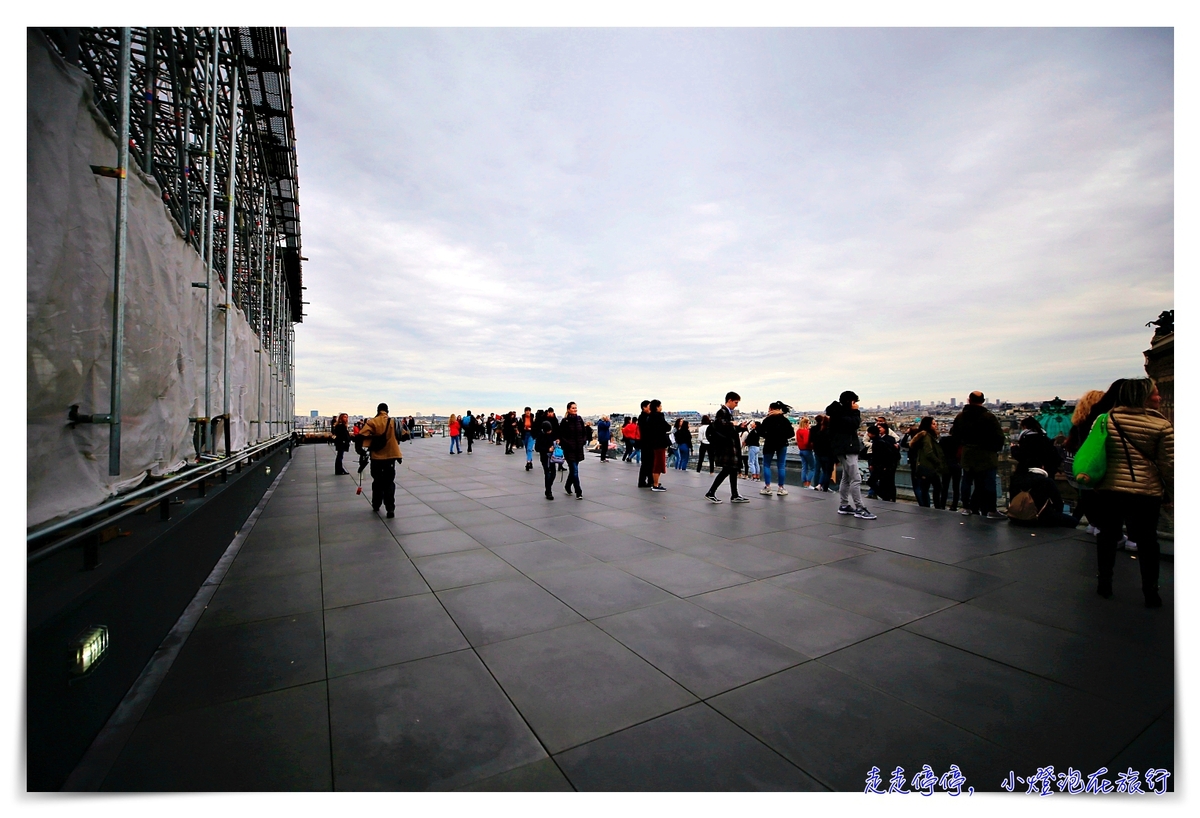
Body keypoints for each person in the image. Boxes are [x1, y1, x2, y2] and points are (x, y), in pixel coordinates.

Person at [1084, 378, 1172, 607]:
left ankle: (1104, 583)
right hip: (1146, 490)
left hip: (1110, 489)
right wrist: (1171, 493)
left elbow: (1094, 452)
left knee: (1107, 536)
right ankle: (1151, 592)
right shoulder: (1160, 425)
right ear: (1142, 396)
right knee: (1148, 541)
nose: (1159, 397)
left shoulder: (1105, 420)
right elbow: (1169, 465)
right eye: (1155, 393)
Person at [951, 391, 1006, 520]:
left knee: (966, 481)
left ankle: (966, 507)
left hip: (968, 453)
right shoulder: (988, 417)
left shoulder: (960, 417)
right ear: (983, 401)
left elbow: (955, 435)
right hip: (986, 455)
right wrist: (993, 449)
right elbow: (999, 437)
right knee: (988, 483)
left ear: (969, 400)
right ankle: (991, 510)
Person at [826, 390, 876, 519]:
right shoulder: (842, 415)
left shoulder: (837, 413)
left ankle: (844, 504)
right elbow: (854, 423)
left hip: (843, 449)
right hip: (847, 448)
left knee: (847, 478)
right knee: (856, 478)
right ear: (851, 401)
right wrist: (855, 411)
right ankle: (859, 508)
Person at [1063, 389, 1108, 530]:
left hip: (1075, 468)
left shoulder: (1078, 424)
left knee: (1086, 497)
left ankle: (1092, 524)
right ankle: (1099, 526)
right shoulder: (1099, 423)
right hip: (1091, 468)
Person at [705, 391, 750, 503]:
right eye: (735, 402)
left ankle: (734, 494)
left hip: (729, 446)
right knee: (727, 469)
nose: (736, 405)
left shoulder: (726, 412)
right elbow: (721, 425)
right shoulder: (722, 411)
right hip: (727, 447)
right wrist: (733, 424)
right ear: (729, 400)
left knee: (733, 469)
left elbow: (727, 429)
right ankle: (711, 492)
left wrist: (740, 427)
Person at [359, 402, 403, 518]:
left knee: (377, 481)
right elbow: (403, 434)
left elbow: (362, 433)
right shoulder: (393, 422)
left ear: (378, 410)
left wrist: (375, 437)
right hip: (390, 456)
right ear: (387, 410)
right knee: (389, 482)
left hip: (376, 457)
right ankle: (390, 509)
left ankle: (376, 504)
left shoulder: (373, 422)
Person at [1007, 467, 1077, 528]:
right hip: (1039, 519)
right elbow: (1058, 503)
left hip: (1014, 517)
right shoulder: (1046, 481)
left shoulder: (1016, 478)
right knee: (1074, 521)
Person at [1009, 416, 1060, 493]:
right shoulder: (1045, 438)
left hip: (1029, 473)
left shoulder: (1027, 438)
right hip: (1047, 473)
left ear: (1025, 427)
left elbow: (1022, 457)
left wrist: (1013, 448)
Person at [909, 417, 948, 509]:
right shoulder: (927, 436)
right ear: (928, 425)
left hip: (924, 466)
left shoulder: (924, 435)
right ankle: (936, 506)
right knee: (937, 487)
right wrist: (938, 461)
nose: (936, 425)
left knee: (925, 488)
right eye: (933, 424)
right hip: (929, 466)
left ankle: (926, 506)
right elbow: (928, 452)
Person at [759, 402, 794, 496]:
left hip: (769, 443)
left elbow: (761, 432)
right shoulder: (784, 420)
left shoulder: (767, 420)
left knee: (766, 465)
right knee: (781, 465)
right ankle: (781, 488)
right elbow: (791, 434)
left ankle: (767, 487)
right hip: (782, 443)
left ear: (771, 409)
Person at [640, 399, 672, 491]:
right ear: (657, 407)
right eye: (660, 406)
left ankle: (654, 482)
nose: (661, 408)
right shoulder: (658, 417)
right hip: (659, 443)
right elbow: (667, 427)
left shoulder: (649, 417)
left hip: (652, 443)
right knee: (658, 464)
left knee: (653, 463)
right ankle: (655, 484)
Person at [558, 401, 587, 499]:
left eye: (576, 408)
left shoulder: (579, 419)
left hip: (578, 448)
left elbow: (584, 432)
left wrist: (583, 441)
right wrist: (568, 444)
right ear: (568, 409)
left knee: (573, 470)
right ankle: (578, 491)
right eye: (573, 408)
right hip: (569, 449)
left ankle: (567, 486)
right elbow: (561, 435)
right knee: (574, 470)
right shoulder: (565, 421)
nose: (575, 409)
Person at [867, 423, 899, 502]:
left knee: (881, 482)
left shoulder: (879, 441)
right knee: (887, 482)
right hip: (885, 465)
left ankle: (886, 496)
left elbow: (879, 455)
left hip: (883, 466)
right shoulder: (881, 440)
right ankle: (888, 497)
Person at [535, 418, 559, 500]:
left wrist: (557, 443)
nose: (550, 432)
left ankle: (548, 487)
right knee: (548, 474)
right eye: (548, 430)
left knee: (553, 474)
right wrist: (547, 449)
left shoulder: (552, 434)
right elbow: (537, 448)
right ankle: (548, 491)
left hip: (552, 457)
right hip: (545, 457)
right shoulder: (540, 436)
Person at [810, 414, 835, 491]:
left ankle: (817, 484)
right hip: (828, 454)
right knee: (827, 472)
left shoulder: (815, 430)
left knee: (818, 470)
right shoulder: (830, 432)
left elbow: (812, 442)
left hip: (818, 453)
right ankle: (824, 487)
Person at [635, 400, 654, 487]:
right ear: (644, 407)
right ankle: (643, 481)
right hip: (646, 443)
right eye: (649, 406)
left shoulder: (643, 417)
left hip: (645, 443)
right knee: (647, 463)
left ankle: (650, 480)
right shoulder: (644, 417)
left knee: (648, 463)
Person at [796, 416, 816, 488]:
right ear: (806, 423)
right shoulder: (805, 431)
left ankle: (804, 483)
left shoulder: (798, 431)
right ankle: (808, 483)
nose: (809, 424)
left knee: (804, 467)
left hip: (801, 451)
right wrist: (813, 445)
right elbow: (806, 442)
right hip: (807, 450)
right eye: (809, 423)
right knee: (813, 468)